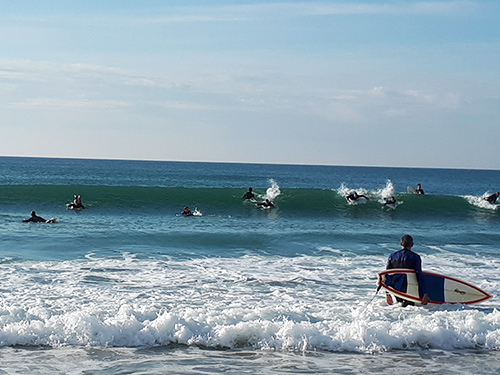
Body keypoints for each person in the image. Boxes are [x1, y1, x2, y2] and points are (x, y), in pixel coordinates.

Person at [386, 235, 429, 306]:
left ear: (401, 244)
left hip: (396, 289)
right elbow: (419, 275)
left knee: (399, 307)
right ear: (412, 245)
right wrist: (425, 293)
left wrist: (388, 293)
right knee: (409, 309)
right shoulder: (415, 257)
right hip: (410, 288)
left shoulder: (392, 256)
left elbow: (386, 275)